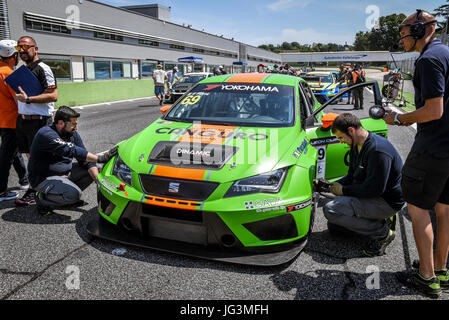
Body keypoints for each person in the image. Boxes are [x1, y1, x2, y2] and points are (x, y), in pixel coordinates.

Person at [383, 10, 449, 298]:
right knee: (444, 210)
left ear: (421, 29)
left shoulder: (429, 60)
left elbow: (434, 110)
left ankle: (426, 277)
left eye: (404, 31)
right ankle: (440, 269)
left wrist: (399, 119)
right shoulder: (445, 53)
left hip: (433, 148)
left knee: (417, 207)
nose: (401, 37)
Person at [321, 113, 404, 257]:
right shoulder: (356, 145)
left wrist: (343, 190)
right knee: (335, 228)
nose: (341, 142)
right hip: (373, 194)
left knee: (331, 210)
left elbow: (374, 190)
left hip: (386, 201)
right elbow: (352, 176)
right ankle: (378, 220)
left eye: (341, 137)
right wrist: (329, 186)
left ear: (351, 131)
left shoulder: (378, 151)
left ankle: (383, 233)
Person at [27, 106, 118, 216]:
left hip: (65, 174)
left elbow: (85, 159)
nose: (76, 127)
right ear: (61, 123)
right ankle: (42, 198)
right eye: (73, 124)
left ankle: (67, 198)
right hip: (43, 178)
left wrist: (98, 181)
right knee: (74, 194)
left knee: (97, 169)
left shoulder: (72, 134)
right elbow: (71, 150)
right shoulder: (46, 134)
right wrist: (100, 158)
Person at [13, 36, 58, 206]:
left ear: (35, 48)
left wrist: (28, 99)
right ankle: (39, 186)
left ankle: (36, 191)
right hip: (24, 121)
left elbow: (53, 95)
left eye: (26, 47)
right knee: (31, 157)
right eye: (19, 48)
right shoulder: (24, 69)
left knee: (38, 159)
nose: (22, 51)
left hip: (39, 121)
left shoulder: (43, 68)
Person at [0, 39, 29, 201]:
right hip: (11, 120)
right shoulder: (9, 74)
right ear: (13, 55)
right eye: (17, 53)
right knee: (6, 155)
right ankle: (1, 190)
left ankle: (24, 179)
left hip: (1, 119)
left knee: (12, 150)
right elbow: (19, 99)